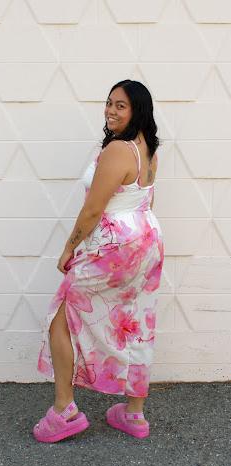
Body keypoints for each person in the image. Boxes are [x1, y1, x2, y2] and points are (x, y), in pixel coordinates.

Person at [34, 80, 163, 442]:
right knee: (137, 321)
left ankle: (64, 411)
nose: (111, 110)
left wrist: (69, 249)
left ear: (138, 109)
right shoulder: (148, 149)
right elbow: (145, 201)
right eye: (109, 103)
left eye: (120, 105)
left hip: (115, 244)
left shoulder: (118, 150)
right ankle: (134, 414)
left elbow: (93, 209)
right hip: (145, 239)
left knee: (61, 313)